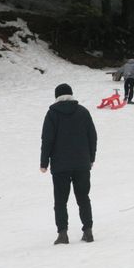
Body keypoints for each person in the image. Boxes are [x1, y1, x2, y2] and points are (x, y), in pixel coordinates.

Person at [40, 83, 98, 245]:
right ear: (71, 95)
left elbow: (47, 140)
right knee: (83, 198)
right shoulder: (83, 112)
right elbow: (92, 137)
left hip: (60, 165)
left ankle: (62, 234)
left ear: (56, 96)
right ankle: (88, 231)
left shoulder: (52, 114)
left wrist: (44, 162)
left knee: (60, 201)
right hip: (82, 163)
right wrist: (90, 158)